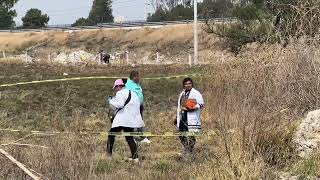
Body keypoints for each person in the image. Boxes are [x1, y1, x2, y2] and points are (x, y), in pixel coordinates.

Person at [106, 79, 145, 163]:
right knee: (129, 137)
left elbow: (119, 104)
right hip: (132, 119)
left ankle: (108, 155)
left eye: (115, 88)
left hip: (122, 119)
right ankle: (135, 158)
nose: (115, 90)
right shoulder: (133, 93)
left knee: (111, 135)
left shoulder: (120, 93)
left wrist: (110, 101)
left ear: (119, 86)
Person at [176, 77, 204, 154]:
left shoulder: (196, 93)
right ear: (183, 85)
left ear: (192, 84)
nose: (188, 85)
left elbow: (201, 104)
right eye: (186, 84)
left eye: (189, 83)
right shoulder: (182, 94)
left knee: (191, 135)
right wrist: (177, 117)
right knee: (181, 134)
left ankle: (190, 150)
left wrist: (194, 107)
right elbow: (180, 106)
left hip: (191, 116)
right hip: (182, 116)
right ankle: (186, 148)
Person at [125, 71, 151, 144]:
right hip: (133, 107)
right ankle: (132, 138)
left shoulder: (136, 84)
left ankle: (141, 137)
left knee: (139, 122)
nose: (139, 78)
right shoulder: (128, 85)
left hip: (139, 107)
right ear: (134, 77)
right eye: (138, 76)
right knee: (132, 123)